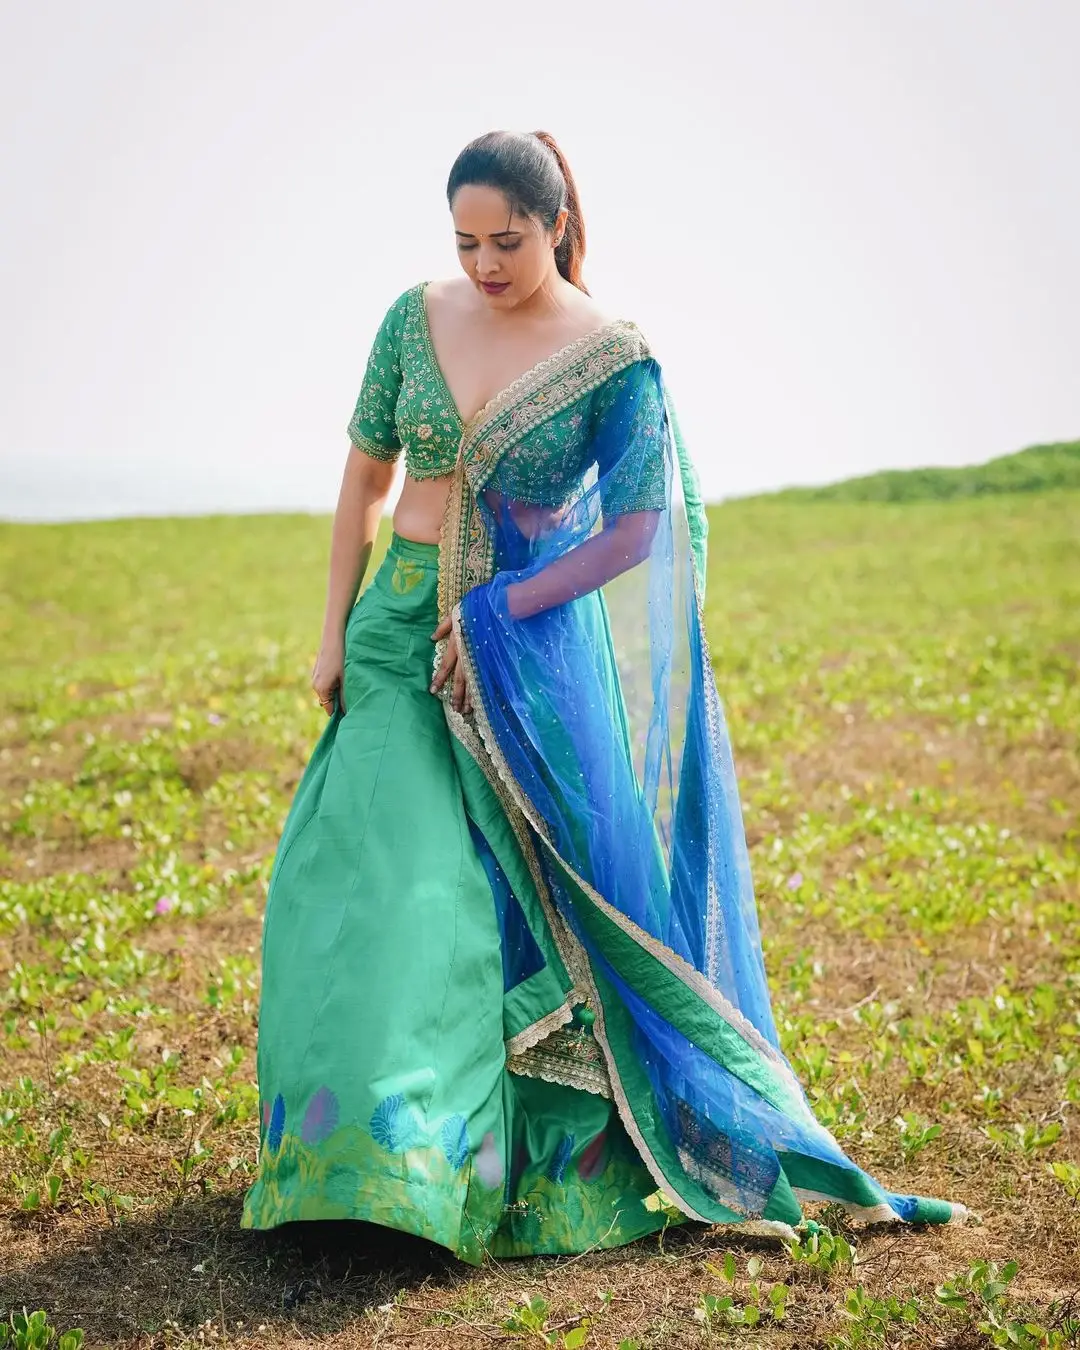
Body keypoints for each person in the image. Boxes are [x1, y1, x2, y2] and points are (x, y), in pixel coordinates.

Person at [241, 130, 964, 1262]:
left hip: (518, 654)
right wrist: (334, 631)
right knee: (378, 888)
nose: (484, 264)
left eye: (508, 242)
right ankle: (359, 1166)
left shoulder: (611, 358)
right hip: (395, 638)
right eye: (466, 241)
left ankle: (488, 1164)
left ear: (558, 224)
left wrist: (499, 618)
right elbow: (367, 481)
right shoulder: (411, 318)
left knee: (502, 903)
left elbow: (640, 529)